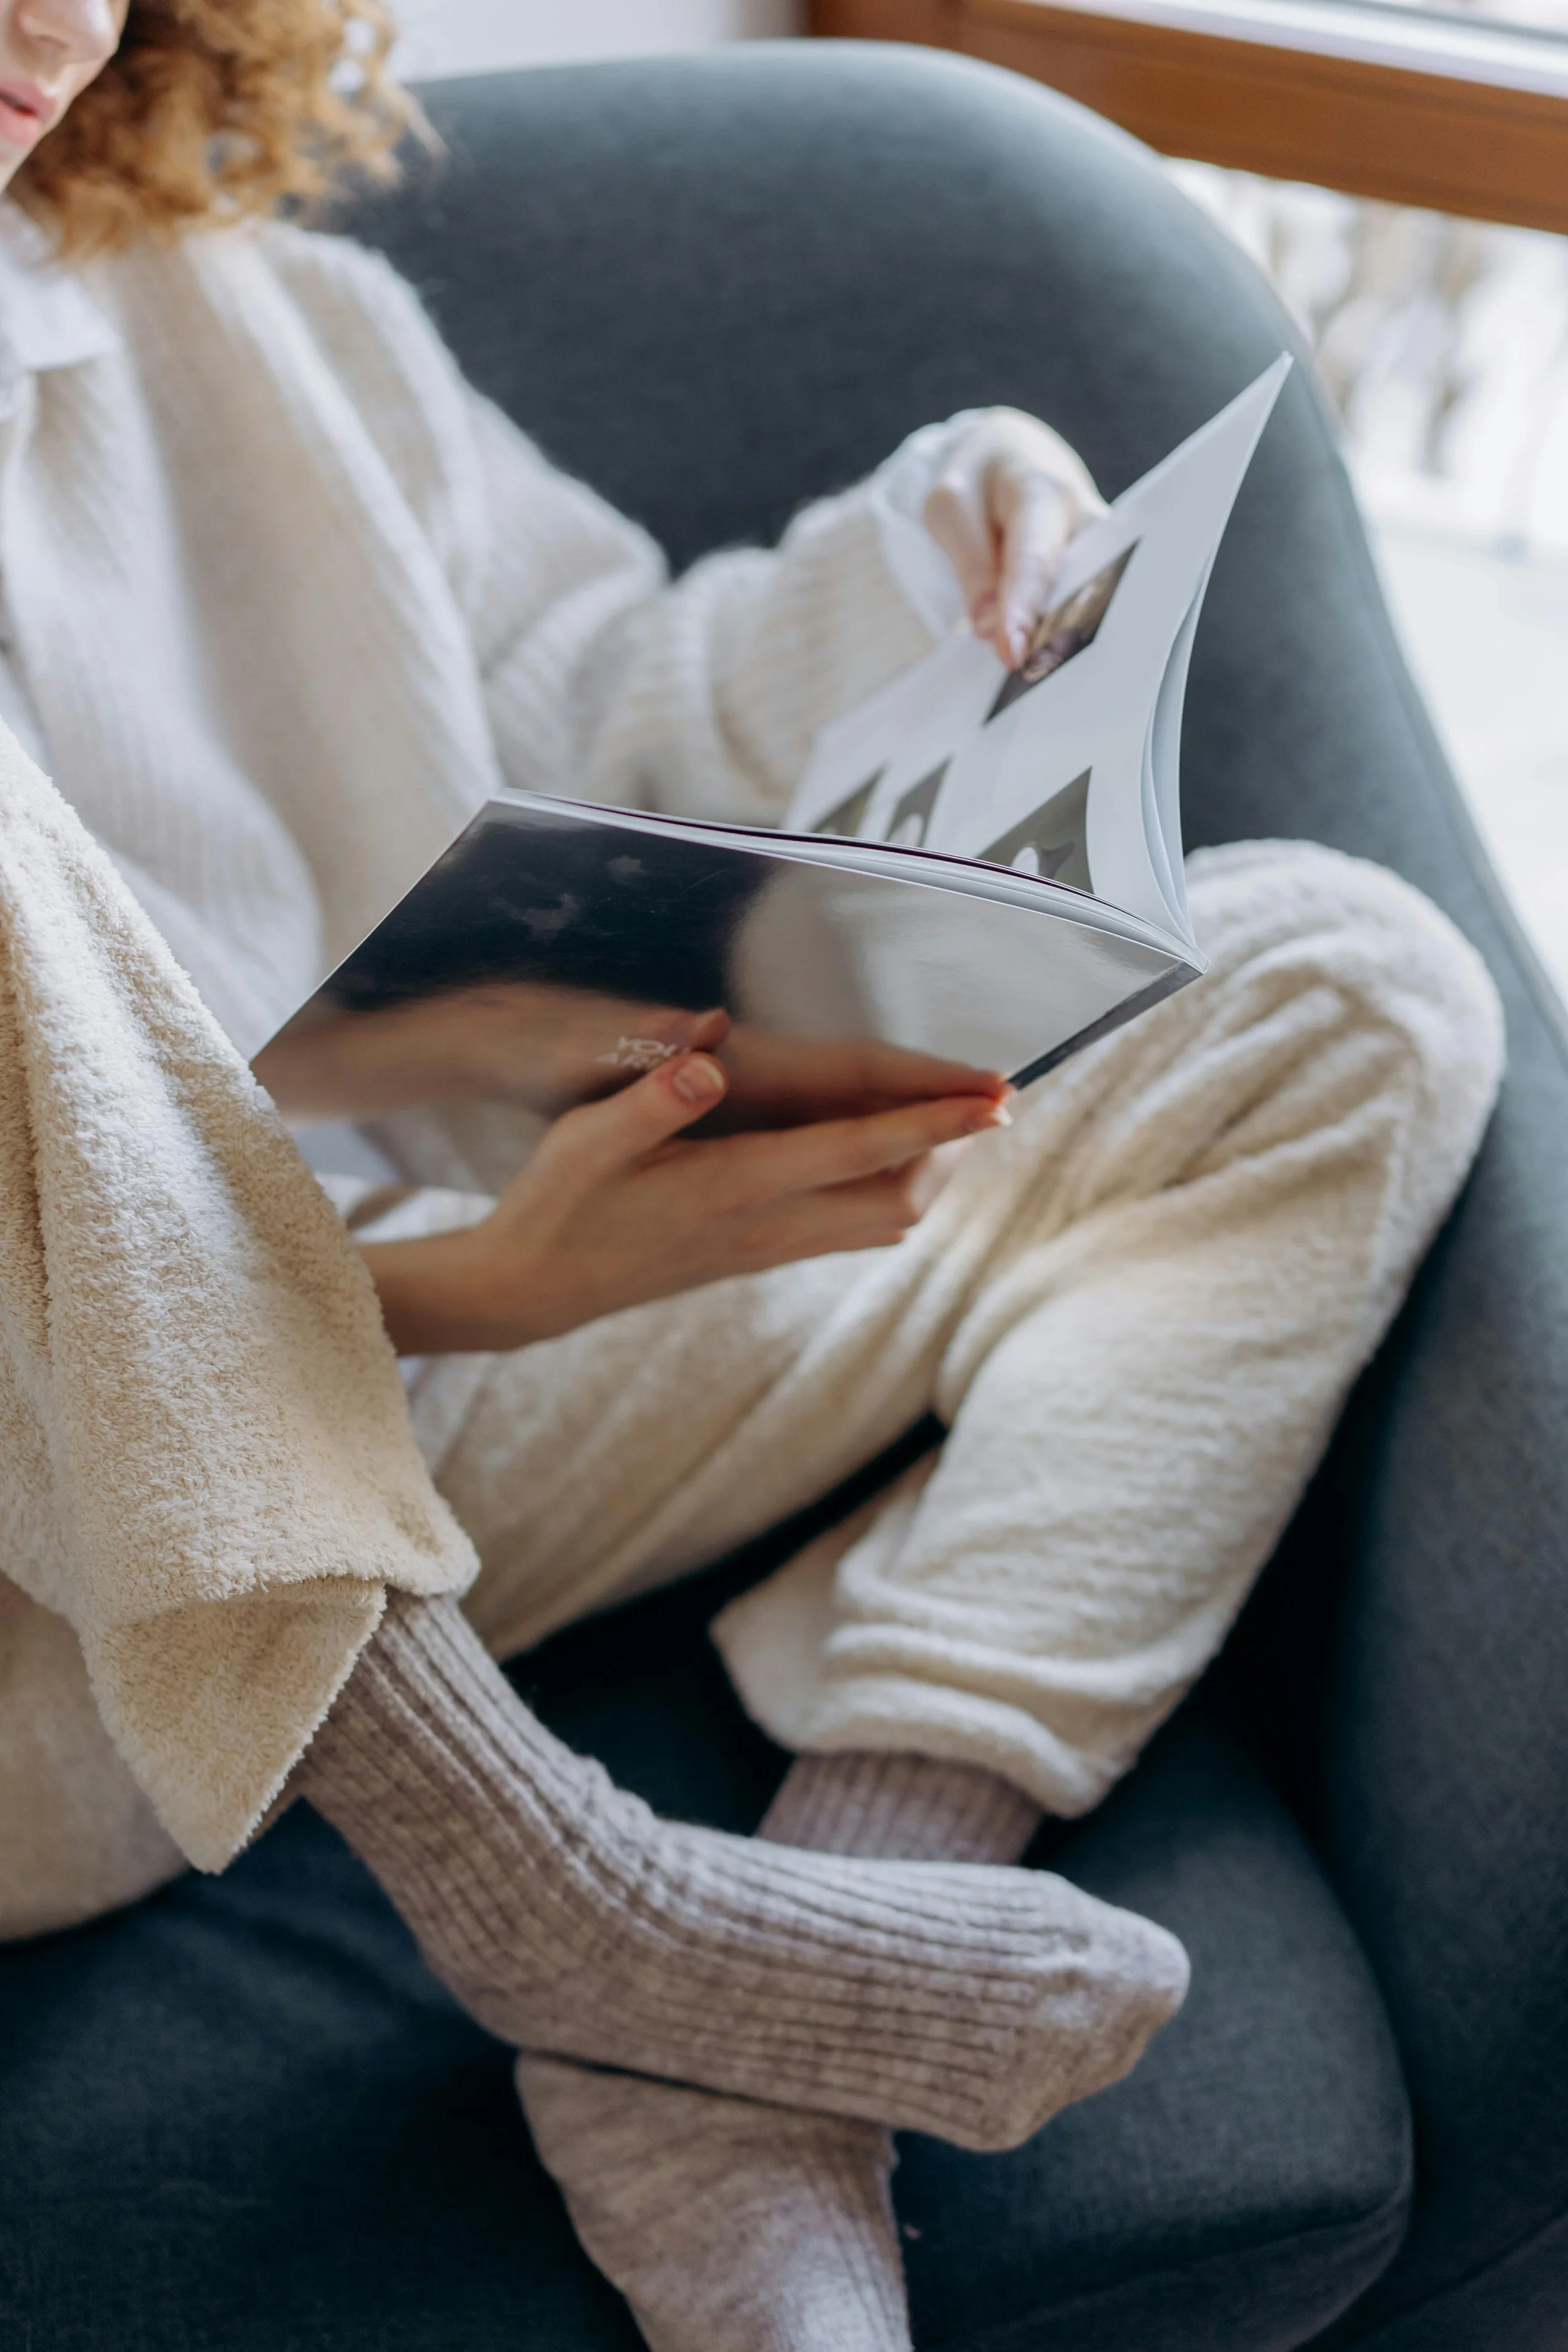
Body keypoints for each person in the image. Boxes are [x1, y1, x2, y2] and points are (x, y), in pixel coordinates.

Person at [0, 4, 1505, 2349]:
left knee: (1347, 989)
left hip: (461, 1407)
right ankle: (581, 1905)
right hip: (66, 1653)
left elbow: (592, 699)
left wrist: (929, 572)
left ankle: (741, 2051)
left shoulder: (238, 312)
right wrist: (456, 1286)